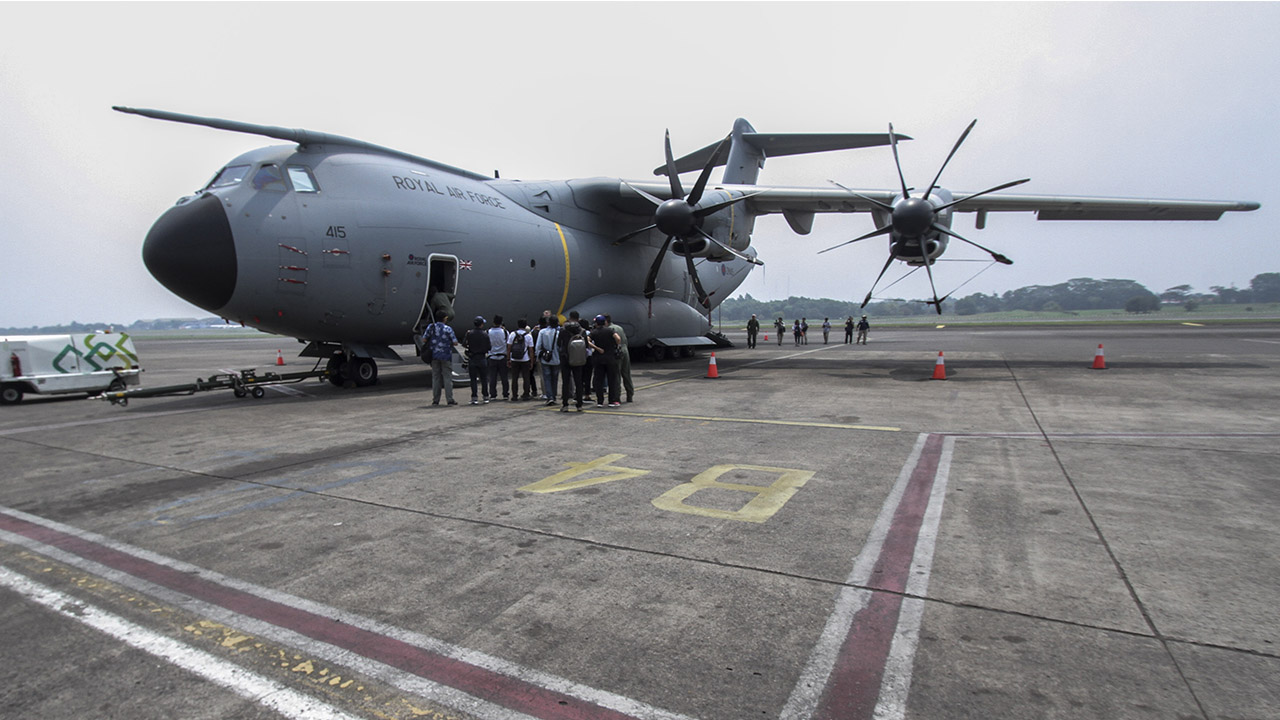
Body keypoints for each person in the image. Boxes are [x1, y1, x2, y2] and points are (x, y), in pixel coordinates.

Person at [421, 310, 461, 406]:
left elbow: (424, 339)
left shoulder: (431, 327)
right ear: (444, 319)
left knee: (436, 378)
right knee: (447, 378)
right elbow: (455, 342)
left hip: (434, 356)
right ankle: (449, 399)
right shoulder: (448, 329)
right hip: (446, 356)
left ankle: (436, 400)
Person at [589, 314, 622, 407]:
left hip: (599, 358)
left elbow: (587, 340)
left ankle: (600, 401)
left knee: (598, 380)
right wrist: (616, 345)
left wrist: (597, 348)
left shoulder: (594, 332)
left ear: (596, 323)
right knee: (612, 380)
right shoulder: (610, 330)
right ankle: (612, 401)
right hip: (610, 358)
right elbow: (618, 338)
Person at [559, 312, 587, 412]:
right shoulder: (582, 331)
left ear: (569, 318)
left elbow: (559, 344)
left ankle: (565, 404)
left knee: (566, 382)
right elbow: (586, 345)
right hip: (578, 359)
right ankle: (579, 405)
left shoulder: (563, 330)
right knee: (578, 382)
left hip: (566, 358)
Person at [462, 315, 491, 404]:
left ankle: (474, 397)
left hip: (472, 358)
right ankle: (485, 396)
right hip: (482, 358)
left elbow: (464, 344)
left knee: (473, 379)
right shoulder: (485, 334)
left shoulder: (469, 333)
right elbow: (489, 347)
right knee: (484, 379)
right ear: (481, 324)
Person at [606, 314, 634, 403]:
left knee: (616, 375)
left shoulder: (609, 329)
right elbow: (625, 339)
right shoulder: (619, 327)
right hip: (624, 349)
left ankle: (617, 397)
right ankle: (630, 395)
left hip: (616, 351)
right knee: (626, 374)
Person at [536, 316, 561, 406]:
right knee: (555, 378)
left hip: (545, 358)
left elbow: (538, 345)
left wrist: (537, 356)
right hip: (556, 358)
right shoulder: (559, 332)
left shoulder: (542, 332)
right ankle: (553, 396)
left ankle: (549, 396)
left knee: (547, 378)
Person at [507, 318, 534, 401]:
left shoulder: (512, 334)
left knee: (514, 378)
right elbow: (531, 350)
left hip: (514, 359)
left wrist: (508, 359)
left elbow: (509, 348)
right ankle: (526, 394)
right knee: (526, 377)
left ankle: (514, 395)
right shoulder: (528, 336)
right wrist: (531, 361)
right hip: (525, 359)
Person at [485, 314, 510, 400]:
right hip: (503, 356)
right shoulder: (505, 332)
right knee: (504, 377)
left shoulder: (488, 332)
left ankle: (493, 395)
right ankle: (505, 394)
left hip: (492, 356)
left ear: (493, 322)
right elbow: (508, 344)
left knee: (492, 377)